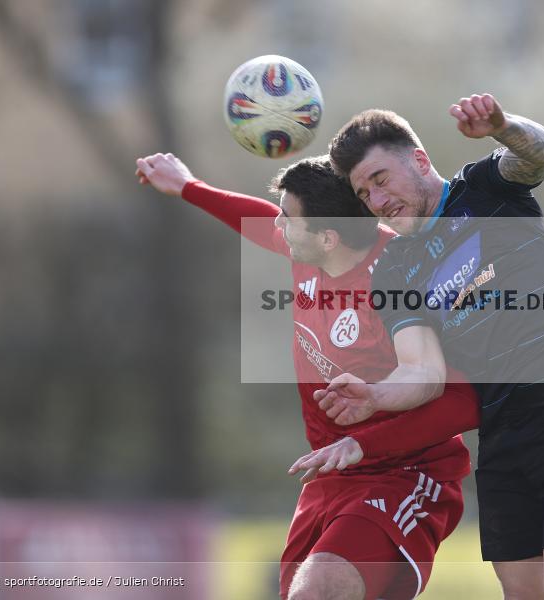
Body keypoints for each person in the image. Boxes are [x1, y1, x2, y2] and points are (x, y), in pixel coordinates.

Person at [299, 94, 544, 600]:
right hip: (502, 438)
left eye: (381, 178)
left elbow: (541, 151)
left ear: (418, 160)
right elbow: (424, 372)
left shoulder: (484, 189)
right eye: (364, 192)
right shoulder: (394, 270)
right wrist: (375, 395)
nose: (377, 199)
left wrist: (502, 126)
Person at [133, 152, 479, 600]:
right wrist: (188, 185)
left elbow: (467, 398)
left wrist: (365, 443)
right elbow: (257, 219)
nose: (278, 226)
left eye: (287, 218)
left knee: (318, 591)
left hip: (405, 474)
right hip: (331, 475)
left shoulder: (401, 279)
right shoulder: (314, 248)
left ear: (329, 237)